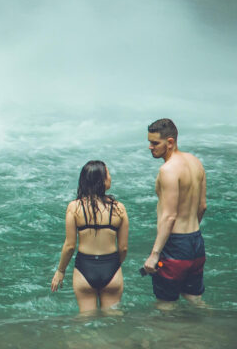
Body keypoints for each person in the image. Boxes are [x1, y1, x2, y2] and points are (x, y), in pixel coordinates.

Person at [51, 160, 129, 312]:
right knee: (114, 318)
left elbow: (70, 246)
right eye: (108, 174)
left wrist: (60, 271)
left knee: (85, 320)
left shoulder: (75, 207)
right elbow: (123, 248)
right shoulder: (119, 208)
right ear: (102, 180)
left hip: (84, 268)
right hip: (111, 266)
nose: (111, 177)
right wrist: (112, 265)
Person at [143, 118, 207, 304]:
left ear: (170, 142)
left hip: (175, 247)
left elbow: (169, 216)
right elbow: (202, 206)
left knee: (165, 305)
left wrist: (154, 255)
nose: (150, 147)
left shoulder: (168, 170)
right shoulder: (195, 162)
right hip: (196, 243)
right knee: (194, 299)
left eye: (155, 143)